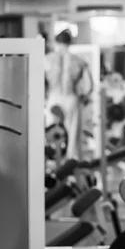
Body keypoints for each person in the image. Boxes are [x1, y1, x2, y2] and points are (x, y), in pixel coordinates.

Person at [45, 29, 93, 159]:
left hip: (53, 98)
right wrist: (83, 97)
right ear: (70, 42)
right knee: (71, 135)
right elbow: (89, 86)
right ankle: (70, 163)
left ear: (56, 42)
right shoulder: (79, 60)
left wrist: (44, 98)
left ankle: (52, 161)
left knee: (52, 132)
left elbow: (39, 82)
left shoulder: (47, 59)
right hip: (71, 98)